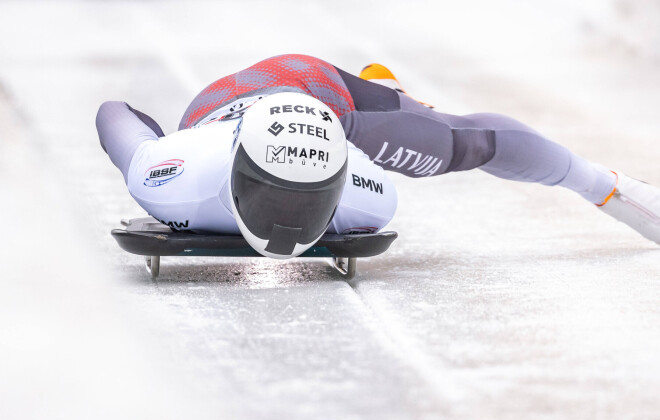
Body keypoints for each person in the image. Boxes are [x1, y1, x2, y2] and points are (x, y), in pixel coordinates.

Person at [96, 54, 660, 259]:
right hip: (233, 110)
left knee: (458, 139)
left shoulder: (163, 178)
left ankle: (607, 185)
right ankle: (387, 91)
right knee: (431, 131)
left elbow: (114, 113)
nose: (292, 222)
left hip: (329, 102)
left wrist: (159, 146)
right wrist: (166, 147)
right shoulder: (369, 206)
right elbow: (115, 113)